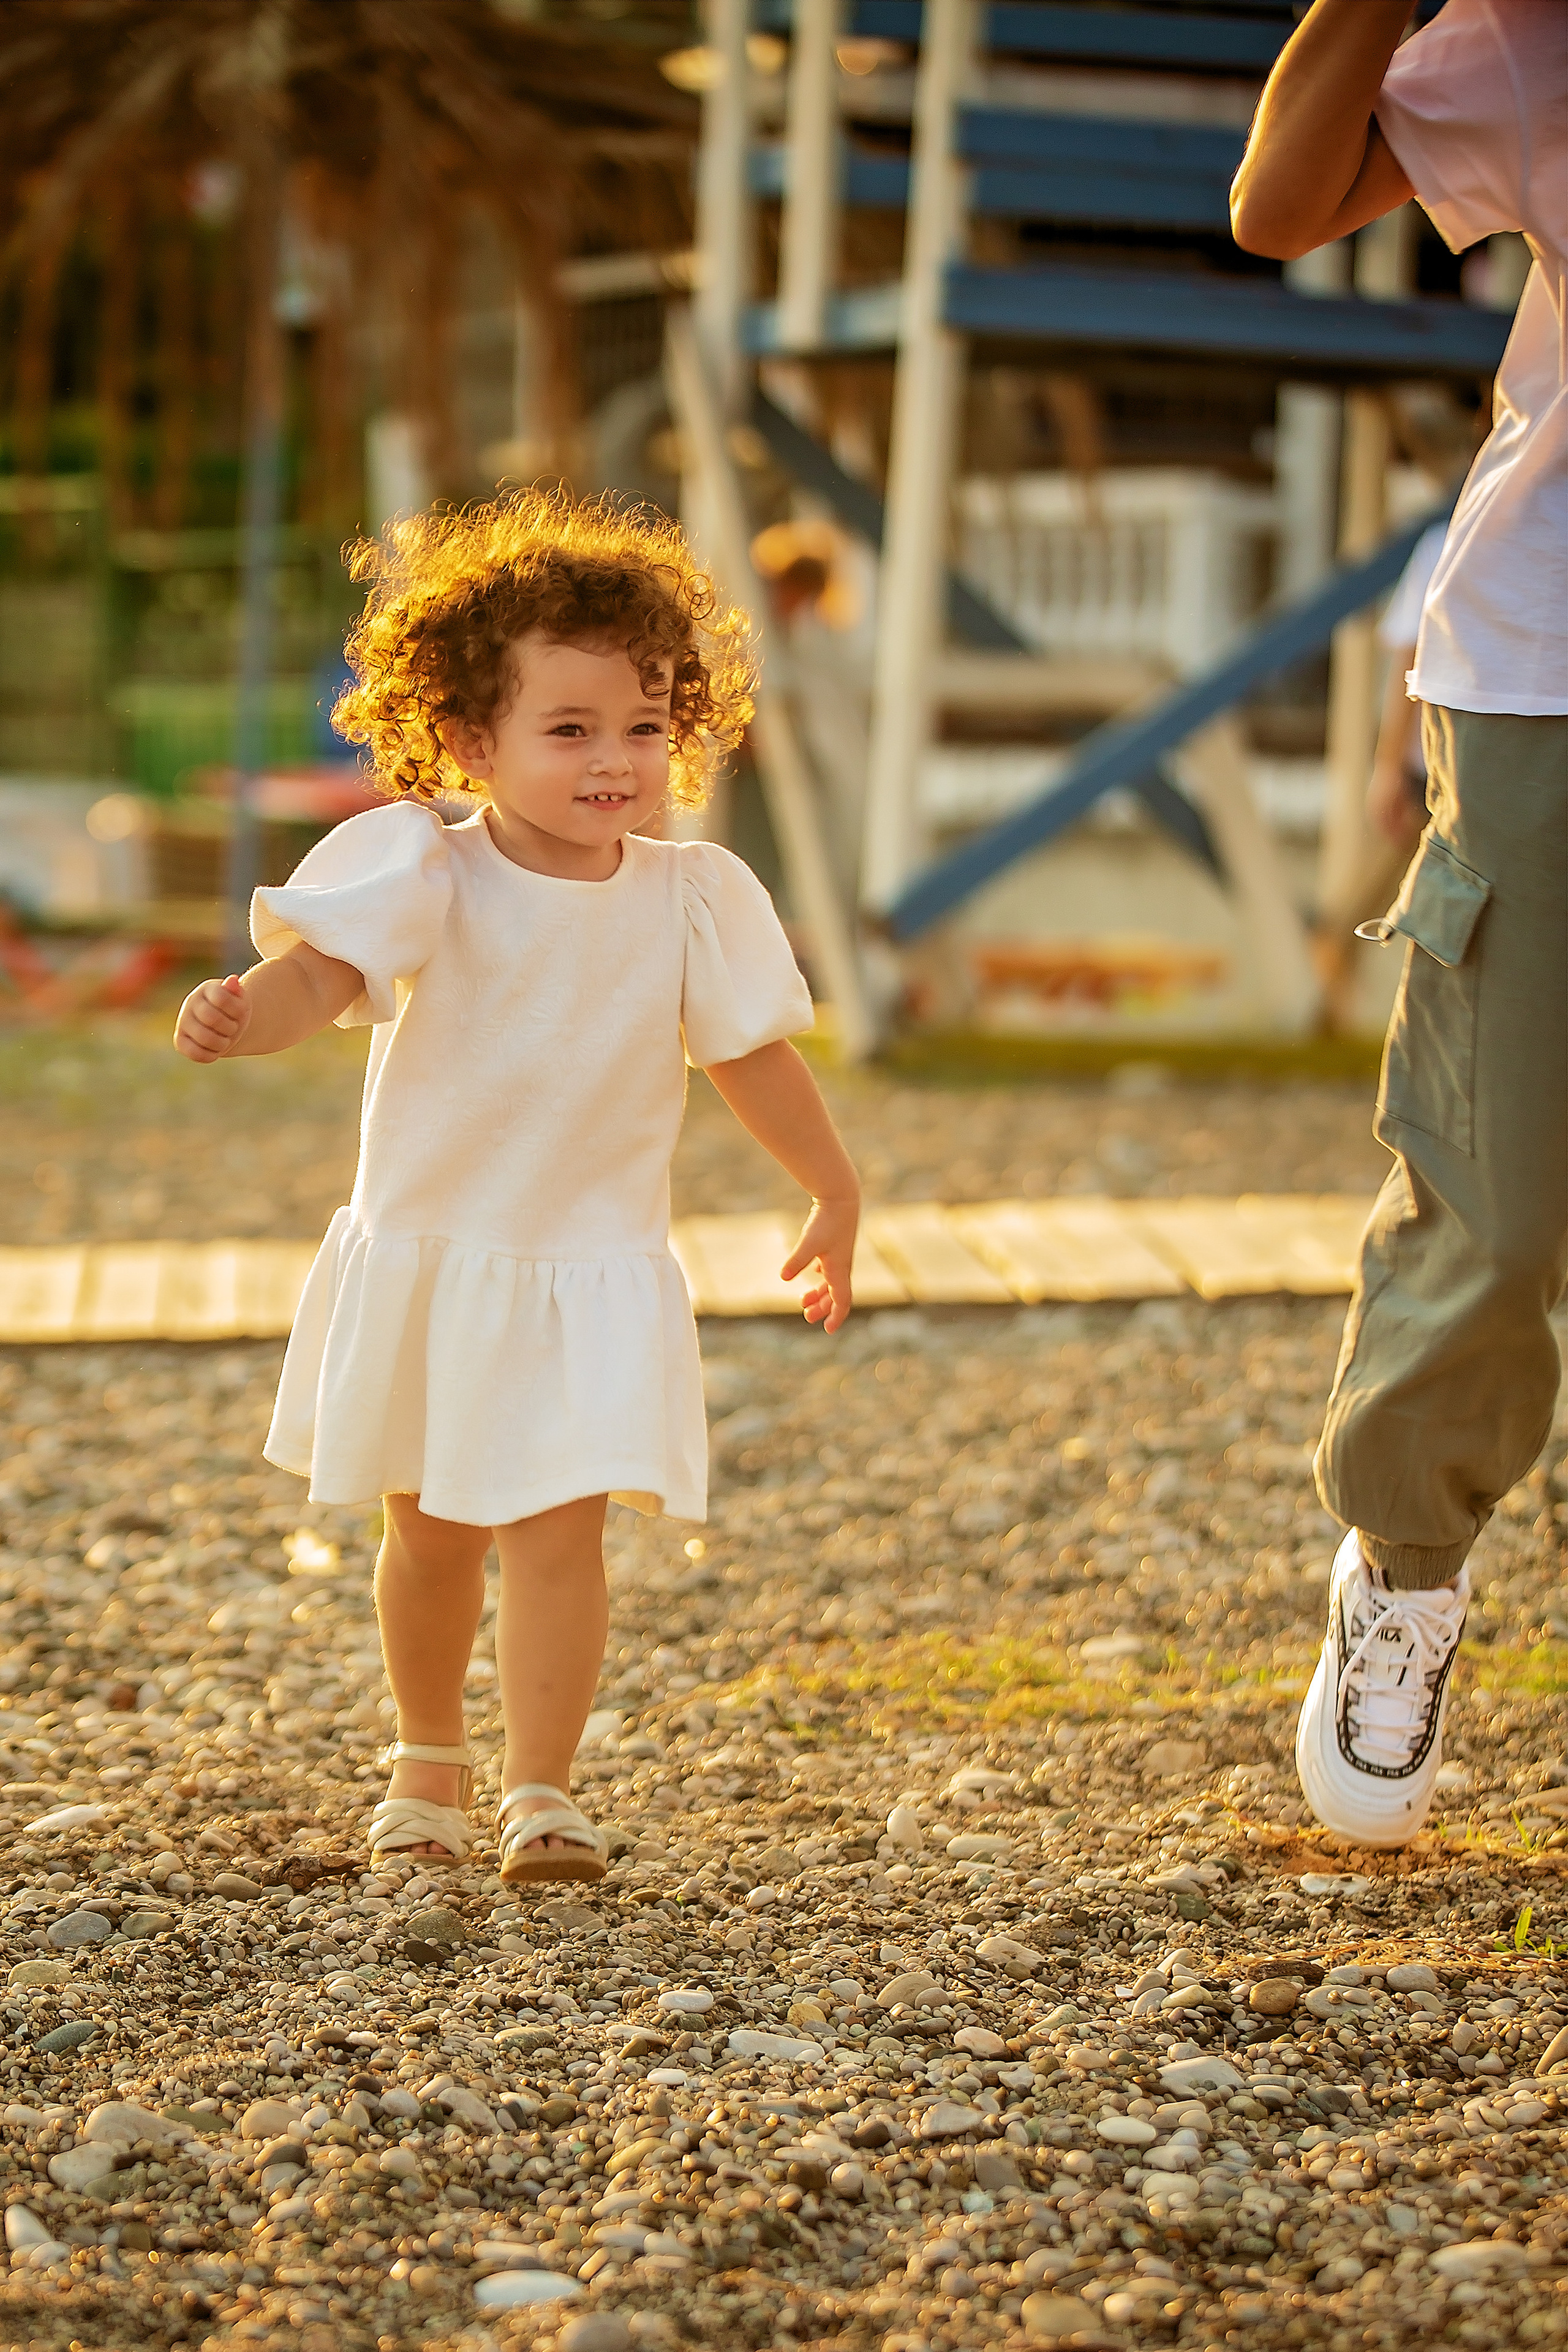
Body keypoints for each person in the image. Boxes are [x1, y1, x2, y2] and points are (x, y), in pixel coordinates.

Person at [172, 489, 861, 1883]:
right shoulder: (429, 863)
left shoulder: (690, 893)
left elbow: (751, 1059)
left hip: (590, 1267)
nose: (616, 760)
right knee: (428, 1533)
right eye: (570, 730)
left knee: (563, 1538)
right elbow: (325, 974)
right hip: (441, 1249)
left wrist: (832, 1189)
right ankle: (427, 1761)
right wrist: (250, 1009)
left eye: (645, 726)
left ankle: (541, 1787)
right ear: (474, 741)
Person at [1232, 0, 1567, 1847]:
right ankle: (1411, 1559)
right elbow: (1279, 210)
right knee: (1501, 1183)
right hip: (1548, 665)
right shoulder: (1526, 56)